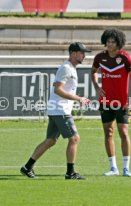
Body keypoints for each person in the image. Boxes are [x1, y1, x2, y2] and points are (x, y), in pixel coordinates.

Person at [20, 42, 91, 180]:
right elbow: (58, 89)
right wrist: (78, 98)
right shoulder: (66, 68)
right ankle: (70, 173)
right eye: (82, 53)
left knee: (50, 141)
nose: (84, 56)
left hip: (56, 110)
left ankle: (27, 167)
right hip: (61, 110)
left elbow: (57, 85)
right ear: (73, 53)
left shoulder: (69, 68)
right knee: (74, 138)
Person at [91, 28, 131, 177]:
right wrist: (97, 87)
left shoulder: (125, 58)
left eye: (113, 42)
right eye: (108, 41)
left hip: (122, 103)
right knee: (108, 132)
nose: (110, 44)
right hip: (105, 101)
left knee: (123, 132)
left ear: (119, 43)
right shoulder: (100, 57)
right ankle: (113, 168)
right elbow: (92, 72)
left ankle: (126, 168)